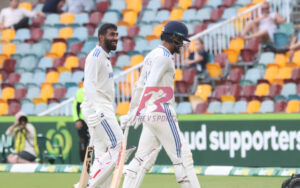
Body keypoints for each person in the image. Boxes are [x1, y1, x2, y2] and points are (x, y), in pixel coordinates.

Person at [120, 21, 201, 188]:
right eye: (181, 40)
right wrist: (137, 110)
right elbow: (150, 84)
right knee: (183, 157)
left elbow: (139, 86)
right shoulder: (164, 57)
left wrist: (134, 110)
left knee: (142, 157)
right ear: (173, 37)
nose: (183, 45)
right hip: (162, 111)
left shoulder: (152, 55)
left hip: (150, 113)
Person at [74, 23, 123, 188]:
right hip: (98, 110)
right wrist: (98, 110)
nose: (115, 38)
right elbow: (88, 85)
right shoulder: (95, 56)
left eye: (116, 34)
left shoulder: (105, 57)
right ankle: (90, 183)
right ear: (101, 37)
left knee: (102, 153)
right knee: (118, 145)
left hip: (102, 108)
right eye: (111, 35)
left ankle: (94, 184)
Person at [72, 81, 90, 163]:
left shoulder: (97, 90)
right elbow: (75, 107)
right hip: (83, 120)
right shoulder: (80, 92)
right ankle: (83, 162)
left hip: (94, 119)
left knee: (97, 141)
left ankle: (97, 161)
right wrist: (77, 120)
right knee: (84, 141)